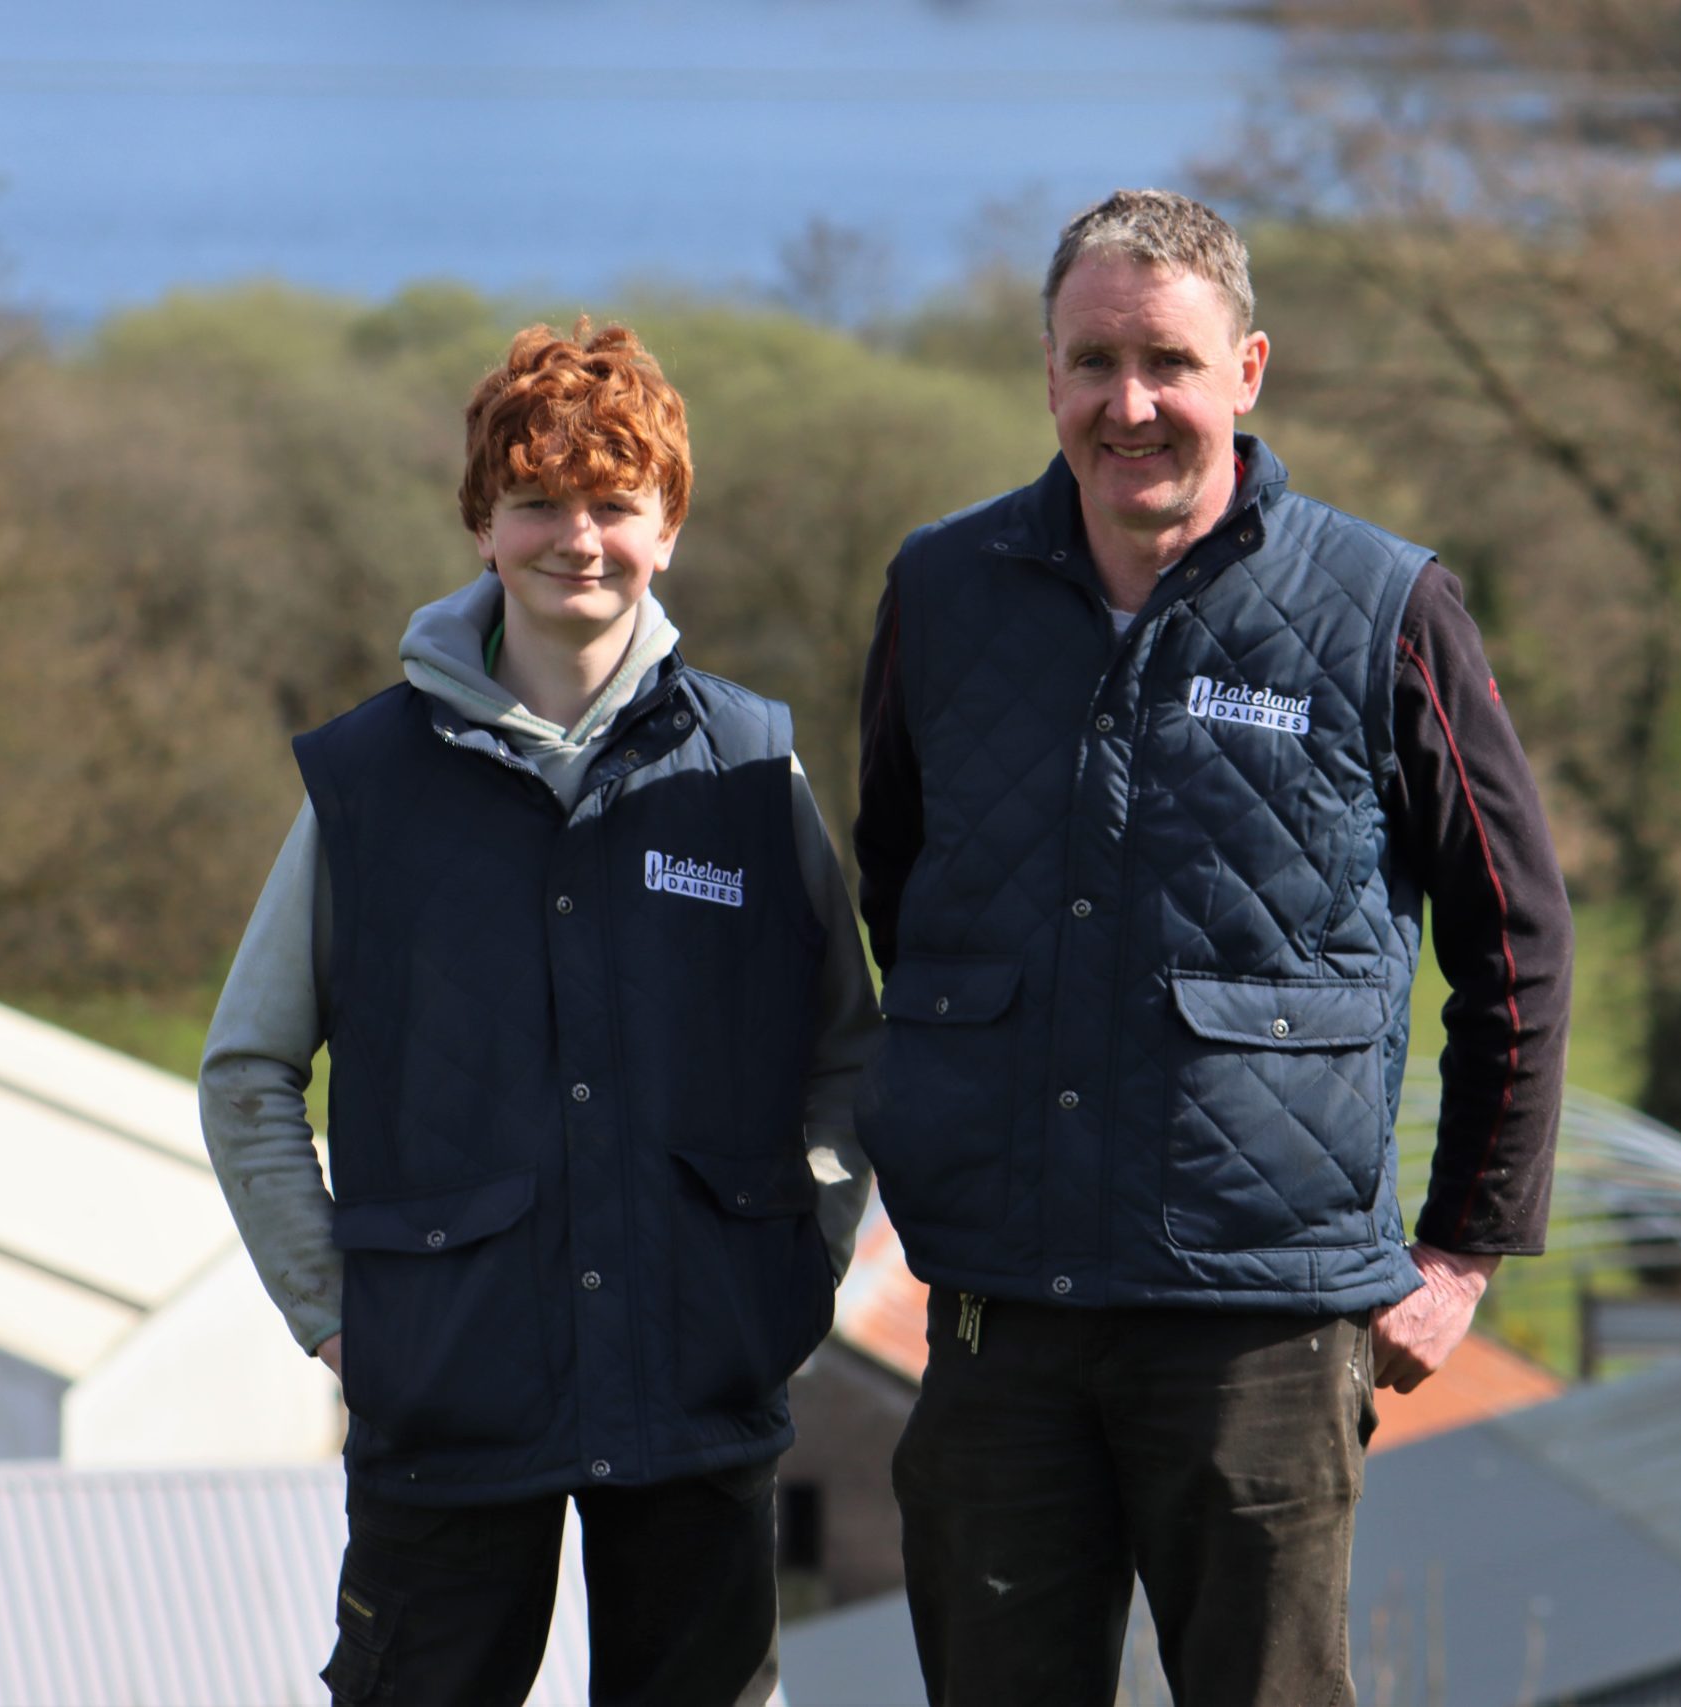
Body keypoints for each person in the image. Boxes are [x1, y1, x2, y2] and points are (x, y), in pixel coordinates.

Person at [852, 189, 1574, 1707]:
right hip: (1002, 1319)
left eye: (1168, 361)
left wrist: (1458, 1254)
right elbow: (903, 888)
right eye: (1094, 360)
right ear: (1045, 373)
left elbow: (1513, 935)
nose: (1132, 404)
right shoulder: (940, 591)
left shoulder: (1387, 608)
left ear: (1247, 371)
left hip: (1262, 1332)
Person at [199, 320, 879, 1707]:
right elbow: (248, 1069)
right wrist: (336, 1312)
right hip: (445, 1389)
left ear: (668, 528)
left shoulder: (752, 772)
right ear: (483, 526)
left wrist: (796, 1265)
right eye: (538, 502)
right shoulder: (368, 786)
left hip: (701, 1386)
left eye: (615, 504)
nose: (579, 538)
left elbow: (846, 1052)